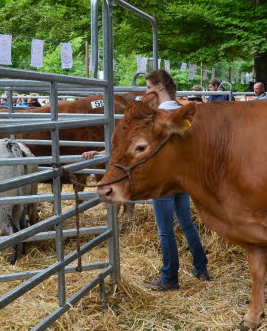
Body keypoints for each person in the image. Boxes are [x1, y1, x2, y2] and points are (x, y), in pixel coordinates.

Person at [83, 69, 211, 291]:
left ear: (160, 87)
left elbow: (134, 144)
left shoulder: (155, 117)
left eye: (149, 87)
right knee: (186, 222)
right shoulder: (182, 112)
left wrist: (102, 152)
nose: (146, 92)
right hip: (181, 179)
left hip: (161, 179)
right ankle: (201, 267)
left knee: (165, 229)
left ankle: (169, 276)